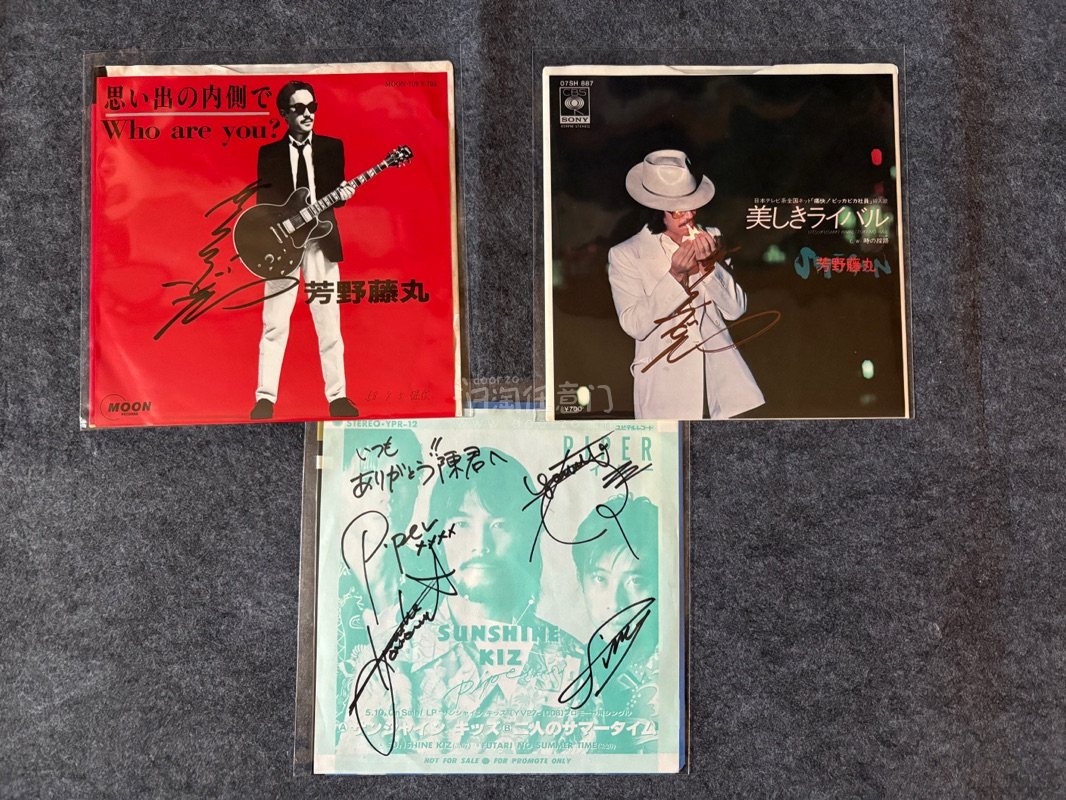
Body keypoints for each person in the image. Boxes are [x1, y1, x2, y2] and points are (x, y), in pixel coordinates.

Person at [339, 451, 595, 757]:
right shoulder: (388, 657)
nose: (480, 545)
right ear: (438, 539)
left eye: (499, 525)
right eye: (461, 524)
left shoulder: (573, 666)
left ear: (527, 537)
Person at [608, 149, 764, 419]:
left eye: (693, 204)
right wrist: (675, 276)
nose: (690, 215)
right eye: (679, 210)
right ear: (657, 210)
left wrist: (709, 266)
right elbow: (634, 325)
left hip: (721, 384)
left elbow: (735, 310)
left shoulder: (712, 236)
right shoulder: (626, 253)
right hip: (665, 387)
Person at [249, 80, 360, 420]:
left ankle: (338, 397)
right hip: (282, 246)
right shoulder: (268, 153)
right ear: (284, 114)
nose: (308, 113)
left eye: (312, 107)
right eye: (299, 108)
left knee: (329, 322)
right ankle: (265, 399)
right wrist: (282, 230)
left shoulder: (332, 148)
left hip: (321, 243)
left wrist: (344, 195)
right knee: (274, 323)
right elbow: (263, 204)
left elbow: (335, 197)